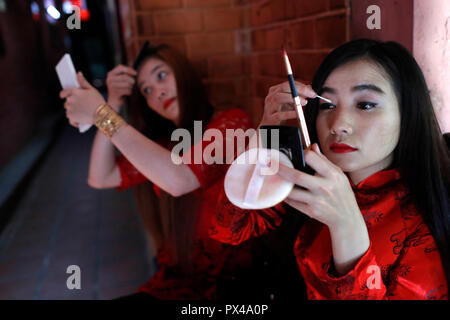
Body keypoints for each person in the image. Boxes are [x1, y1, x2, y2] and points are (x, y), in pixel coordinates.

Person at [210, 39, 450, 300]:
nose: (338, 125)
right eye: (327, 105)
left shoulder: (430, 211)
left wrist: (346, 226)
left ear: (408, 112)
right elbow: (230, 229)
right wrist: (268, 131)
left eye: (365, 105)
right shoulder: (309, 181)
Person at [60, 44, 259, 300]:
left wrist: (101, 115)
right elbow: (100, 176)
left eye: (161, 75)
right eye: (146, 90)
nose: (157, 92)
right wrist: (112, 102)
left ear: (182, 72)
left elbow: (181, 179)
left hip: (233, 286)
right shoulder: (163, 148)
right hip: (177, 280)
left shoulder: (233, 122)